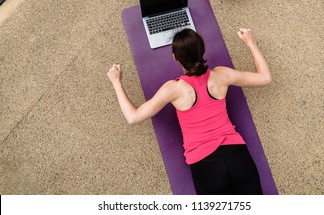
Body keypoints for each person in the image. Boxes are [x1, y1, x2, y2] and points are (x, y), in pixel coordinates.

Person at [107, 28, 271, 195]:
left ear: (175, 58)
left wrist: (116, 83)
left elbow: (132, 117)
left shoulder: (174, 89)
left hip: (206, 165)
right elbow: (265, 77)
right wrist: (251, 43)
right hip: (237, 156)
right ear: (202, 50)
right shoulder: (222, 75)